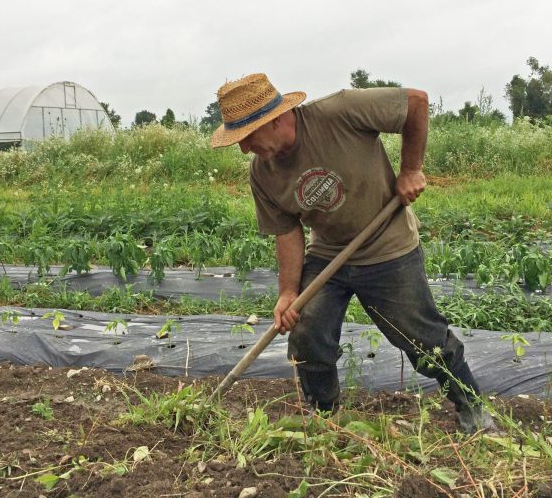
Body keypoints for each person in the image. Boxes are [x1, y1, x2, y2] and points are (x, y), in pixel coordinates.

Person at [210, 72, 494, 433]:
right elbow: (287, 232)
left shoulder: (339, 111)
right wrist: (287, 292)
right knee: (307, 330)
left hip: (388, 247)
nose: (245, 149)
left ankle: (472, 406)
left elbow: (416, 103)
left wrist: (410, 169)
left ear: (276, 119)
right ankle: (323, 416)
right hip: (328, 253)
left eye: (247, 137)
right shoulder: (262, 173)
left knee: (423, 338)